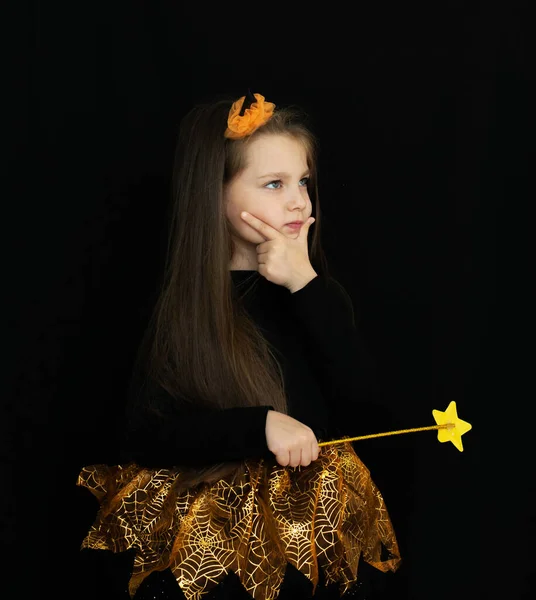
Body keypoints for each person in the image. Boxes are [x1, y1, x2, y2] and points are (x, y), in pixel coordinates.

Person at [77, 91, 401, 600]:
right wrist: (260, 424)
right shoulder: (177, 308)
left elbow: (368, 413)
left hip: (311, 539)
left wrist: (306, 286)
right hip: (216, 556)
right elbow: (147, 435)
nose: (298, 201)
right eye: (274, 184)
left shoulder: (320, 296)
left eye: (303, 183)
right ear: (215, 194)